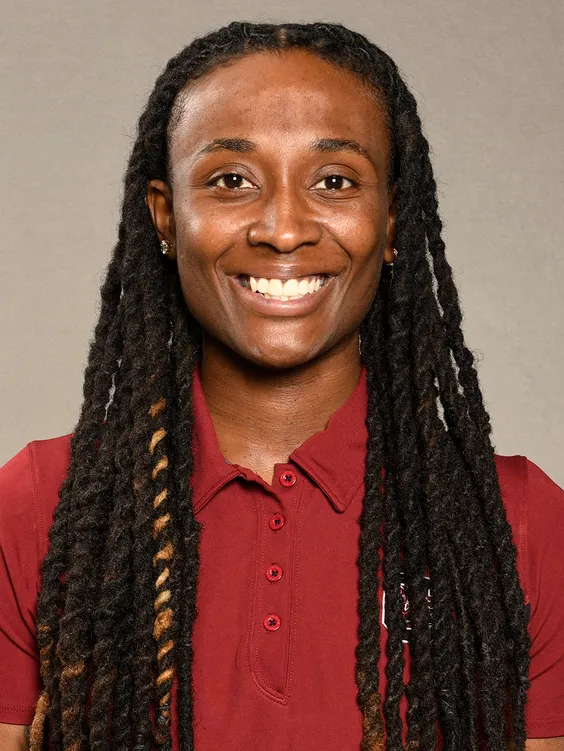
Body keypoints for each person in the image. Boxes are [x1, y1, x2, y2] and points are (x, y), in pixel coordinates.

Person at [0, 20, 562, 751]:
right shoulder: (41, 503)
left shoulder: (517, 525)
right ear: (166, 218)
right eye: (232, 180)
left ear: (392, 222)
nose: (284, 227)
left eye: (334, 181)